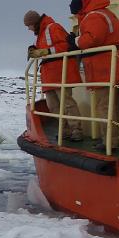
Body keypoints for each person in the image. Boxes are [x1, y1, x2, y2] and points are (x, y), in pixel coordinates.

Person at [66, 0, 119, 149]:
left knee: (104, 106)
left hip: (106, 66)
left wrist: (74, 40)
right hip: (116, 63)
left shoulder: (94, 16)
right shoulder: (105, 13)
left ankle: (109, 141)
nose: (77, 16)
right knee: (115, 105)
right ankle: (112, 139)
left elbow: (92, 39)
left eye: (76, 14)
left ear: (80, 9)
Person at [24, 10, 83, 141]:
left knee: (67, 103)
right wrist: (34, 49)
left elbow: (66, 45)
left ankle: (76, 130)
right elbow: (47, 47)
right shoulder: (41, 34)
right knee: (53, 106)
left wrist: (45, 51)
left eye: (29, 25)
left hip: (60, 71)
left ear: (34, 22)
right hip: (49, 74)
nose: (28, 29)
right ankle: (65, 129)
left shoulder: (53, 27)